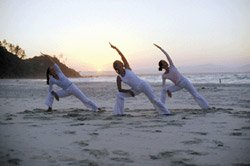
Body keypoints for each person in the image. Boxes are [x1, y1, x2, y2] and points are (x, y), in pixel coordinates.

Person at [109, 43, 170, 115]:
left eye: (121, 62)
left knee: (154, 100)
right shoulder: (119, 77)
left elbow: (122, 56)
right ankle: (119, 113)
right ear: (117, 67)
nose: (121, 63)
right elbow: (120, 89)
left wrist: (116, 48)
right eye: (119, 63)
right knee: (119, 95)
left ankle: (166, 112)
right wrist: (129, 91)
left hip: (143, 85)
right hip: (135, 89)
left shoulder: (127, 68)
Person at [153, 44, 210, 109]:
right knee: (163, 90)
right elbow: (163, 86)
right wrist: (168, 90)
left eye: (165, 62)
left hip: (185, 82)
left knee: (195, 94)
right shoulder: (164, 75)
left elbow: (167, 55)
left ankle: (206, 107)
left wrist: (160, 48)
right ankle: (161, 107)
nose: (166, 63)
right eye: (164, 63)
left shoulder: (172, 66)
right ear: (162, 66)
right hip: (178, 85)